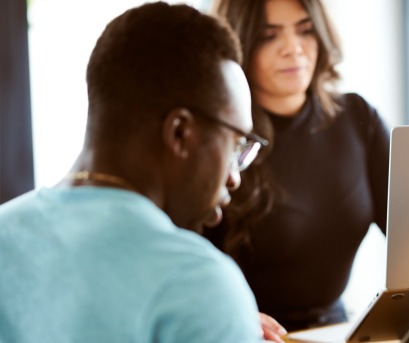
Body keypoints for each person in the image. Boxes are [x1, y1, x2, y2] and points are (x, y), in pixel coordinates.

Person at [0, 2, 283, 342]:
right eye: (235, 144)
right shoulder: (196, 283)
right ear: (180, 133)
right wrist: (219, 315)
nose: (235, 176)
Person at [206, 0, 391, 331]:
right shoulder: (217, 139)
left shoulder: (358, 118)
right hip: (249, 331)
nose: (293, 49)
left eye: (305, 30)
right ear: (241, 45)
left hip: (335, 330)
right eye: (268, 36)